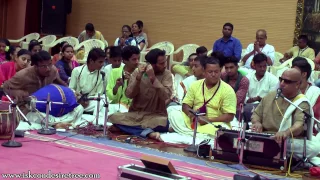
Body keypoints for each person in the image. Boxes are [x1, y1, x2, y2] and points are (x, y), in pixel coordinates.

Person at [251, 68, 320, 159]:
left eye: (287, 81)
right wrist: (257, 123)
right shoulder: (271, 95)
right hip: (265, 136)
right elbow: (256, 114)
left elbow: (299, 125)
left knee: (313, 148)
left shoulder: (301, 102)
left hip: (287, 140)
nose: (282, 83)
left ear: (297, 84)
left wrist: (285, 133)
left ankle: (266, 149)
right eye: (281, 79)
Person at [108, 48, 173, 140]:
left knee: (164, 123)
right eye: (161, 63)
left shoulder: (167, 74)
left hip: (155, 116)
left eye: (165, 62)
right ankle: (147, 133)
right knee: (114, 117)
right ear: (152, 65)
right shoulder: (138, 72)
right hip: (136, 114)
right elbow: (129, 95)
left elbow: (166, 95)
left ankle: (126, 128)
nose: (165, 65)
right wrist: (138, 80)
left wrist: (153, 78)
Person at [180, 56, 237, 135]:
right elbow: (185, 105)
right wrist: (192, 114)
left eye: (216, 72)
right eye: (210, 72)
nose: (213, 74)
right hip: (195, 121)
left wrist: (208, 119)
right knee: (174, 113)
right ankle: (193, 133)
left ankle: (188, 133)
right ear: (204, 71)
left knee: (220, 130)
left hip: (213, 124)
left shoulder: (228, 90)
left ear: (220, 71)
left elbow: (229, 116)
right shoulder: (195, 85)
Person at [3, 50, 67, 101]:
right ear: (36, 67)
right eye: (43, 66)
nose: (48, 69)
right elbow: (5, 87)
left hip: (45, 103)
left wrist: (70, 91)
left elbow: (58, 80)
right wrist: (16, 93)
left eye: (50, 64)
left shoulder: (53, 70)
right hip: (26, 106)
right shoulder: (23, 75)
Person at [69, 48, 105, 114]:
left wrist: (89, 100)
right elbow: (71, 89)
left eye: (103, 62)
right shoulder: (77, 71)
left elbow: (99, 94)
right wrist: (78, 96)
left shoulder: (101, 74)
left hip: (92, 102)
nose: (102, 64)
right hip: (78, 100)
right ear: (91, 61)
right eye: (100, 62)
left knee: (103, 101)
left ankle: (94, 119)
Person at [244, 53, 278, 122]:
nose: (262, 69)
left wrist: (261, 100)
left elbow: (272, 99)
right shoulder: (247, 78)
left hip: (266, 109)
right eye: (260, 66)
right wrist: (252, 99)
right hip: (248, 107)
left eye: (264, 66)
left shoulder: (273, 79)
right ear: (254, 66)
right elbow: (243, 97)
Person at [106, 46, 140, 112]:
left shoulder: (140, 73)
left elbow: (142, 96)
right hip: (116, 106)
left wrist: (132, 81)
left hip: (133, 108)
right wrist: (116, 86)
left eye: (138, 59)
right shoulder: (115, 72)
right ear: (125, 60)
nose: (137, 62)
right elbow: (109, 95)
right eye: (134, 59)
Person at [291, 57, 320, 134]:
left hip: (309, 134)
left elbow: (316, 118)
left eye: (295, 71)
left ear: (304, 74)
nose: (291, 73)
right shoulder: (287, 89)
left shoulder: (315, 93)